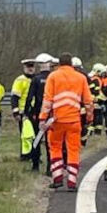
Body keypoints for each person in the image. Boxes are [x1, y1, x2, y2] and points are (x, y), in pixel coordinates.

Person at [40, 53, 92, 191]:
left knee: (55, 148)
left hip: (57, 121)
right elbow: (88, 101)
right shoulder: (81, 78)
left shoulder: (53, 76)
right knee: (73, 150)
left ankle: (57, 178)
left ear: (59, 63)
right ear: (71, 64)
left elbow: (47, 100)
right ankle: (72, 182)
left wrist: (42, 117)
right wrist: (89, 117)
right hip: (74, 121)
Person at [23, 53, 56, 173]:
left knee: (37, 139)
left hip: (38, 113)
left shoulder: (36, 79)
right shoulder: (54, 77)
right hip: (52, 113)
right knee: (50, 141)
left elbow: (29, 97)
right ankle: (50, 167)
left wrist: (26, 112)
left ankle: (35, 165)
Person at [10, 58, 37, 162]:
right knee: (25, 135)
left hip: (35, 111)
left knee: (36, 135)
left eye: (32, 66)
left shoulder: (36, 79)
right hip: (23, 112)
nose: (30, 69)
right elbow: (14, 97)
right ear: (24, 68)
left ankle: (35, 155)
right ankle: (25, 155)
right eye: (28, 66)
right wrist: (15, 112)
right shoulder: (20, 80)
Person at [89, 64, 107, 134]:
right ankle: (96, 133)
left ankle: (93, 132)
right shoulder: (97, 80)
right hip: (95, 103)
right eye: (102, 73)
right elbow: (97, 92)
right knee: (97, 119)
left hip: (92, 102)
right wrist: (102, 99)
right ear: (98, 72)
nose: (103, 75)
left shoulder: (93, 78)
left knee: (94, 119)